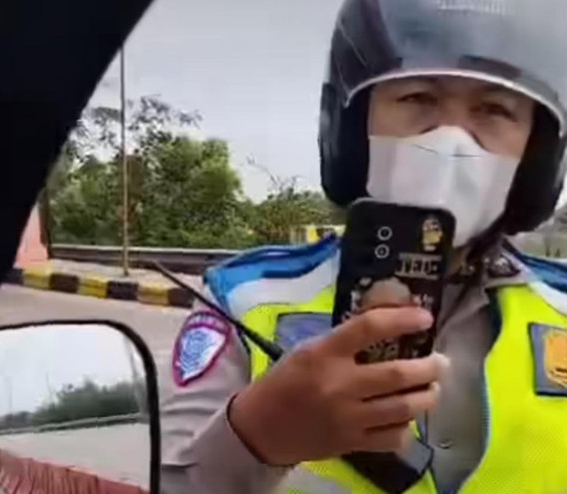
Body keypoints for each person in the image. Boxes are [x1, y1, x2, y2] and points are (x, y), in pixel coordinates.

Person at [161, 1, 567, 493]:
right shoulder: (247, 305)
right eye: (418, 97)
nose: (451, 139)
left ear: (537, 156)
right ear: (352, 131)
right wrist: (255, 437)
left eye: (494, 109)